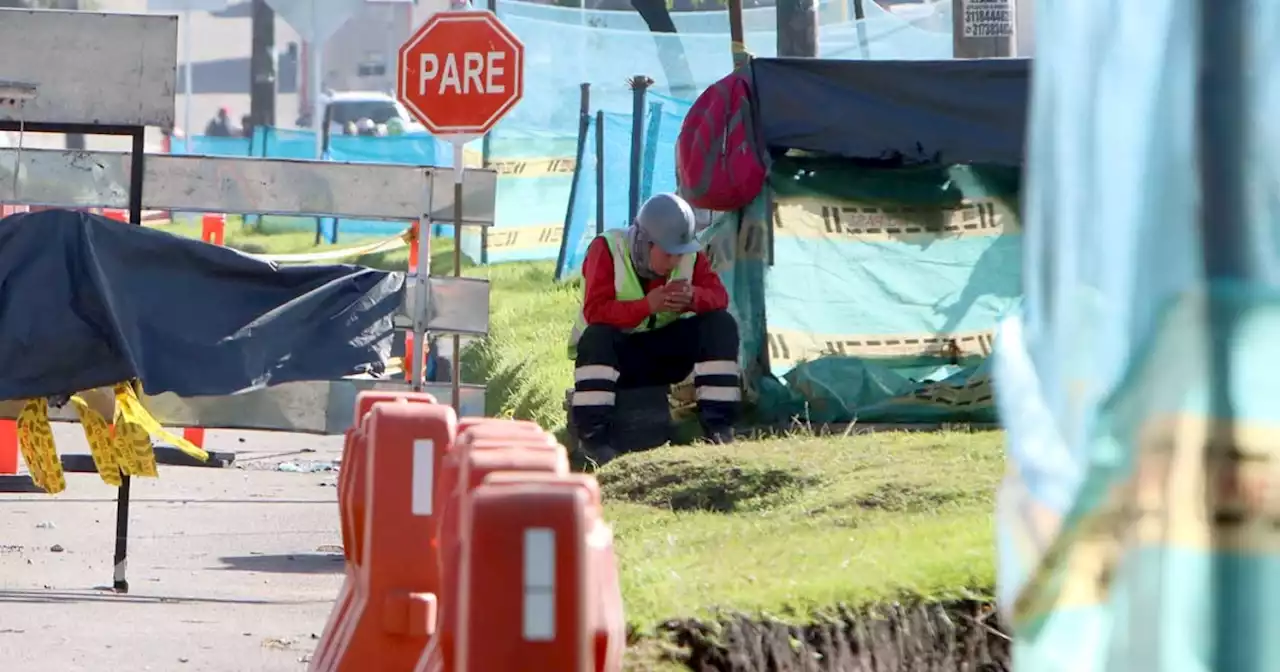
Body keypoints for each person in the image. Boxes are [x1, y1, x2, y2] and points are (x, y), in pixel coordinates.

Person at [568, 193, 740, 465]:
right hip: (617, 359)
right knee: (597, 336)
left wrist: (694, 297)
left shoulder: (689, 255)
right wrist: (646, 306)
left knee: (720, 324)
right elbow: (595, 312)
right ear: (645, 242)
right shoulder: (607, 249)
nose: (674, 262)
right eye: (668, 253)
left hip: (664, 355)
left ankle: (719, 428)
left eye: (679, 253)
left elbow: (719, 297)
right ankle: (594, 441)